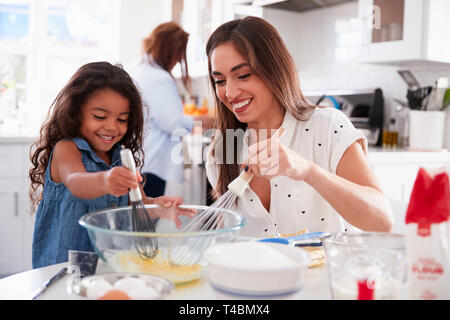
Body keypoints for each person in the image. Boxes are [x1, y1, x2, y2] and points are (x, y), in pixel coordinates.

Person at [204, 17, 394, 237]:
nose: (230, 92)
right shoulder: (221, 150)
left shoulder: (326, 127)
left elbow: (383, 220)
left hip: (328, 271)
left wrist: (308, 171)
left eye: (244, 75)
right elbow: (228, 238)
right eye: (220, 81)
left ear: (274, 69)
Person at [29, 62, 193, 268]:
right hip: (63, 269)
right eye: (100, 116)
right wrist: (106, 180)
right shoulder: (67, 149)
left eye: (122, 119)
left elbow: (137, 204)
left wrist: (159, 207)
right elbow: (75, 182)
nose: (112, 127)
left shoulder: (123, 157)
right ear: (75, 111)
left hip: (108, 265)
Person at [128, 22, 214, 198]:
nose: (177, 62)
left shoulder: (138, 69)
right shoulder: (158, 78)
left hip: (141, 160)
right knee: (145, 220)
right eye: (178, 55)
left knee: (139, 220)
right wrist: (209, 121)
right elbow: (174, 123)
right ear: (171, 50)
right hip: (151, 164)